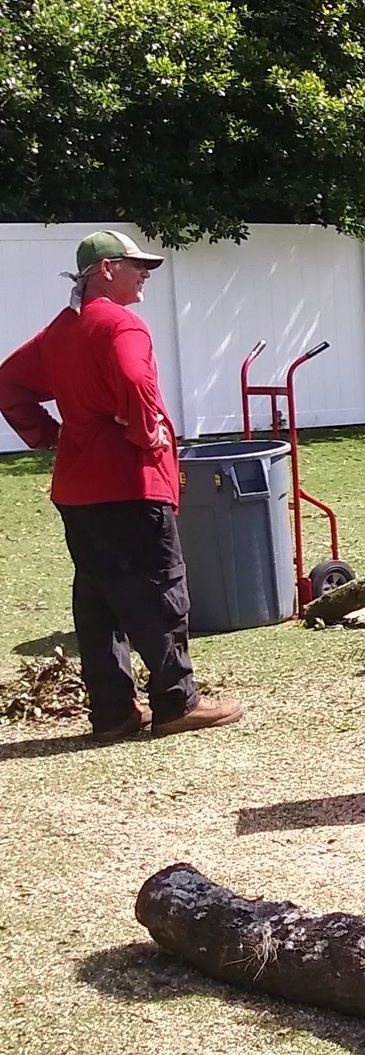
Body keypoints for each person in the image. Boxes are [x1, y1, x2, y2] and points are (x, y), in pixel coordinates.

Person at [0, 229, 245, 743]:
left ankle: (113, 713)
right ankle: (177, 703)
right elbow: (135, 382)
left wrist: (47, 435)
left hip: (77, 489)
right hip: (131, 484)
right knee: (161, 590)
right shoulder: (122, 325)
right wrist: (143, 429)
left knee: (99, 600)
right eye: (138, 266)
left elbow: (8, 381)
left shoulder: (60, 331)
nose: (146, 275)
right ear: (106, 270)